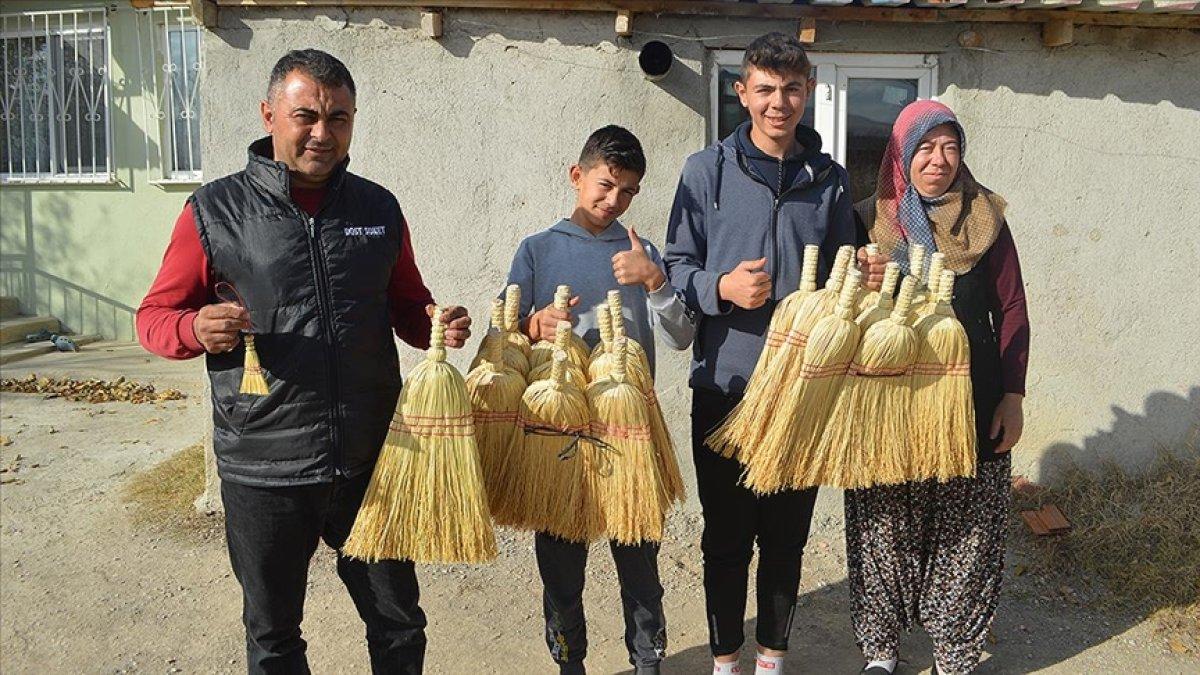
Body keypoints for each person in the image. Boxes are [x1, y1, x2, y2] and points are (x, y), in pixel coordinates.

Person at [136, 49, 472, 674]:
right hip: (265, 467)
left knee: (399, 623)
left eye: (340, 118)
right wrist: (193, 326)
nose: (323, 132)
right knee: (273, 636)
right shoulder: (214, 212)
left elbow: (406, 303)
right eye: (306, 116)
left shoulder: (378, 209)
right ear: (270, 115)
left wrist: (436, 322)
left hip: (371, 459)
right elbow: (153, 318)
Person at [663, 32, 886, 675]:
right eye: (764, 89)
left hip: (803, 389)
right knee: (727, 540)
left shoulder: (830, 180)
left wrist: (861, 276)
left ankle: (772, 659)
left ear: (809, 92)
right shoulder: (705, 171)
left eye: (790, 89)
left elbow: (844, 270)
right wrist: (721, 288)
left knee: (787, 538)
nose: (778, 102)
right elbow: (673, 267)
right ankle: (725, 659)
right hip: (726, 382)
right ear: (742, 94)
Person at [505, 124, 695, 675]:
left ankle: (647, 663)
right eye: (606, 185)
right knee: (561, 569)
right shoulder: (538, 250)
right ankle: (570, 663)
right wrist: (534, 323)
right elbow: (506, 331)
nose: (615, 200)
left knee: (639, 563)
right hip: (558, 434)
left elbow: (681, 336)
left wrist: (655, 281)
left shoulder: (641, 252)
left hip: (629, 433)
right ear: (576, 176)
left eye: (629, 191)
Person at [848, 99, 1029, 675]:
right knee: (883, 522)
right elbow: (840, 307)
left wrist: (1014, 395)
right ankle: (880, 650)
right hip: (888, 402)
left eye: (950, 146)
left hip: (971, 400)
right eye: (925, 146)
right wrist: (860, 273)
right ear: (900, 154)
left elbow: (1013, 306)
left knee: (967, 530)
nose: (939, 159)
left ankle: (955, 652)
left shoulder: (986, 219)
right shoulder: (868, 219)